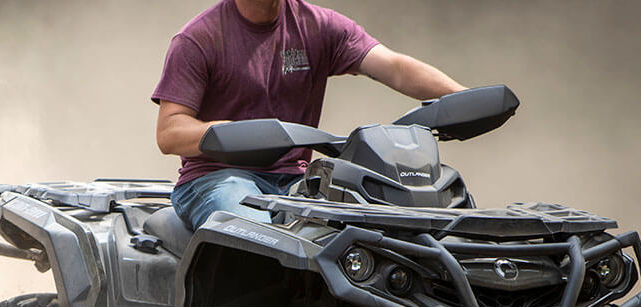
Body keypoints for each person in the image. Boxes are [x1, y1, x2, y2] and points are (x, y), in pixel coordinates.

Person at [152, 0, 466, 230]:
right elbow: (169, 133)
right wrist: (229, 133)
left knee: (379, 230)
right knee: (258, 239)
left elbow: (395, 68)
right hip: (215, 180)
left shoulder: (318, 26)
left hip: (298, 181)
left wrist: (462, 98)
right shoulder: (197, 39)